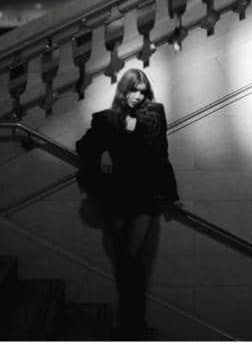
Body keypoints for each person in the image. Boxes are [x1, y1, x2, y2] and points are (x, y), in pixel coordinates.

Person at [76, 68, 181, 337]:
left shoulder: (155, 114)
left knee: (131, 258)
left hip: (145, 197)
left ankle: (131, 322)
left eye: (142, 92)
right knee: (125, 260)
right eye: (133, 90)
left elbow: (162, 155)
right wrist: (103, 152)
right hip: (116, 196)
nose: (138, 96)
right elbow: (83, 146)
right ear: (123, 90)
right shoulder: (106, 119)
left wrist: (173, 195)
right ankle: (131, 323)